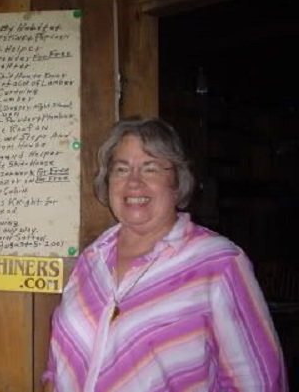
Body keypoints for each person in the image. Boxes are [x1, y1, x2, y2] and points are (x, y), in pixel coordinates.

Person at [42, 117, 287, 391]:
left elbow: (257, 380)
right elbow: (57, 367)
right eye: (122, 169)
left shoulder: (219, 263)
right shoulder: (89, 260)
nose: (134, 182)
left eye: (151, 168)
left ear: (176, 181)